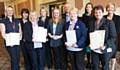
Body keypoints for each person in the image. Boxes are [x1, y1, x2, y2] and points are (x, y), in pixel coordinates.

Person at [89, 5, 117, 70]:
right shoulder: (91, 23)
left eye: (99, 12)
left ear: (102, 12)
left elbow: (113, 37)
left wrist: (105, 45)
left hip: (104, 49)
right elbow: (89, 34)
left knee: (105, 66)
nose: (97, 14)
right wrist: (89, 43)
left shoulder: (109, 22)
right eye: (96, 12)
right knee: (95, 66)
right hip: (94, 49)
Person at [0, 6, 22, 70]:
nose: (10, 12)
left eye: (11, 10)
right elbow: (3, 34)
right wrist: (10, 42)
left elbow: (20, 31)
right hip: (9, 43)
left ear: (13, 12)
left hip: (17, 42)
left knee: (17, 58)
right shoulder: (3, 21)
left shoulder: (17, 20)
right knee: (14, 58)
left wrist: (20, 37)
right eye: (8, 10)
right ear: (6, 12)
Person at [105, 3, 120, 70]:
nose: (110, 8)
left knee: (113, 54)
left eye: (112, 7)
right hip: (105, 39)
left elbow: (118, 29)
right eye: (108, 7)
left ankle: (113, 68)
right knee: (106, 54)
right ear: (107, 9)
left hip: (114, 39)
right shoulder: (103, 17)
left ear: (114, 9)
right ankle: (106, 66)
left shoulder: (118, 18)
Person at [81, 2, 93, 69]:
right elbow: (83, 25)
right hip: (86, 35)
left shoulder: (94, 15)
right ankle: (88, 62)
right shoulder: (84, 15)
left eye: (90, 7)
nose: (88, 8)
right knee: (88, 49)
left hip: (92, 35)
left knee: (93, 50)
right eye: (87, 7)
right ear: (85, 8)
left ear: (92, 8)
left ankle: (93, 62)